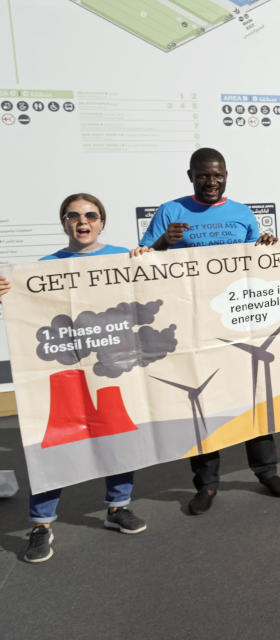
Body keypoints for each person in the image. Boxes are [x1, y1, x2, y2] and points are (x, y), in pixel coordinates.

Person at [0, 193, 151, 563]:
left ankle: (118, 508)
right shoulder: (42, 268)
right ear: (64, 222)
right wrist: (6, 294)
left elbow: (153, 294)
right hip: (64, 369)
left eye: (90, 215)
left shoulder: (123, 256)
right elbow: (26, 314)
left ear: (102, 221)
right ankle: (42, 524)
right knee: (53, 442)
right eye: (73, 216)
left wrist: (149, 264)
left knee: (117, 433)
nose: (82, 222)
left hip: (111, 366)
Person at [140, 147, 280, 514]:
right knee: (203, 403)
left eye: (218, 175)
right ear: (191, 176)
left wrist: (267, 246)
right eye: (204, 175)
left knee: (255, 397)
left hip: (241, 320)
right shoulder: (170, 211)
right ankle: (206, 485)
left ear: (227, 175)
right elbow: (140, 266)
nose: (212, 182)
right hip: (193, 326)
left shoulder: (242, 214)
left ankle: (266, 471)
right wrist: (163, 243)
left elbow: (259, 262)